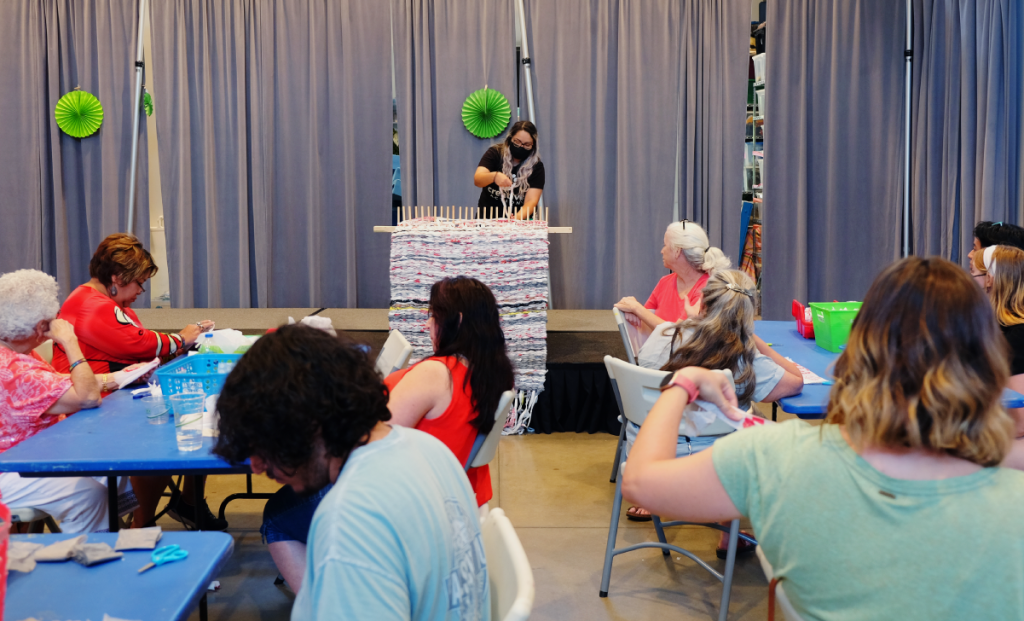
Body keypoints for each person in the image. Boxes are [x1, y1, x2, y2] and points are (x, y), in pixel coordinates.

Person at [623, 257, 1024, 620]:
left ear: (860, 346)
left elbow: (639, 482)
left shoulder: (774, 456)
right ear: (986, 363)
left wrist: (683, 384)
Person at [214, 325, 490, 620]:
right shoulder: (428, 448)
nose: (256, 467)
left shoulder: (351, 517)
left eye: (261, 446)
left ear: (302, 423)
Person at [260, 276, 515, 592]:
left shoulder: (438, 373)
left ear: (456, 321)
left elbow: (372, 442)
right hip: (437, 490)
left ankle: (328, 604)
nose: (429, 327)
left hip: (394, 495)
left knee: (277, 515)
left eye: (433, 317)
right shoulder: (491, 372)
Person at [624, 270, 803, 559]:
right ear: (748, 315)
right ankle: (728, 535)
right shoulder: (746, 358)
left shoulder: (662, 336)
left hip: (652, 457)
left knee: (729, 423)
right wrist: (753, 338)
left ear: (703, 304)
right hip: (716, 465)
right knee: (758, 428)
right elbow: (795, 381)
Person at [50, 233, 222, 530]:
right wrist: (182, 338)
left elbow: (137, 348)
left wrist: (179, 344)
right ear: (116, 277)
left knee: (188, 418)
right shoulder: (91, 305)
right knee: (160, 441)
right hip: (88, 406)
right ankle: (140, 526)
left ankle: (188, 503)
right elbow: (138, 344)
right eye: (139, 282)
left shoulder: (107, 302)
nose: (142, 289)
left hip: (113, 395)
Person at [0, 269, 132, 532]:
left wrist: (115, 378)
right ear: (41, 327)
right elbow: (87, 397)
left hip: (30, 453)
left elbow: (58, 385)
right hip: (10, 466)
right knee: (87, 493)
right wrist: (71, 342)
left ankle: (114, 535)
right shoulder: (15, 371)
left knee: (112, 465)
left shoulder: (16, 354)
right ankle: (89, 557)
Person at [615, 220, 731, 339]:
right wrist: (633, 310)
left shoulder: (709, 288)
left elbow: (677, 335)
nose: (662, 251)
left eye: (665, 245)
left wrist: (636, 308)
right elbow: (645, 320)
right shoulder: (665, 282)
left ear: (677, 251)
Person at [982, 245, 1024, 439]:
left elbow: (1019, 421)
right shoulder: (995, 330)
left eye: (973, 272)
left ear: (990, 280)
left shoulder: (1017, 336)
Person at [474, 120, 544, 219]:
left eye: (527, 144)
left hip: (518, 223)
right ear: (510, 139)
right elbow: (478, 179)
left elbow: (531, 201)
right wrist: (494, 176)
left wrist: (516, 219)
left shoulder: (536, 167)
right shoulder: (494, 154)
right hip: (487, 221)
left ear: (533, 146)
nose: (521, 146)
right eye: (517, 141)